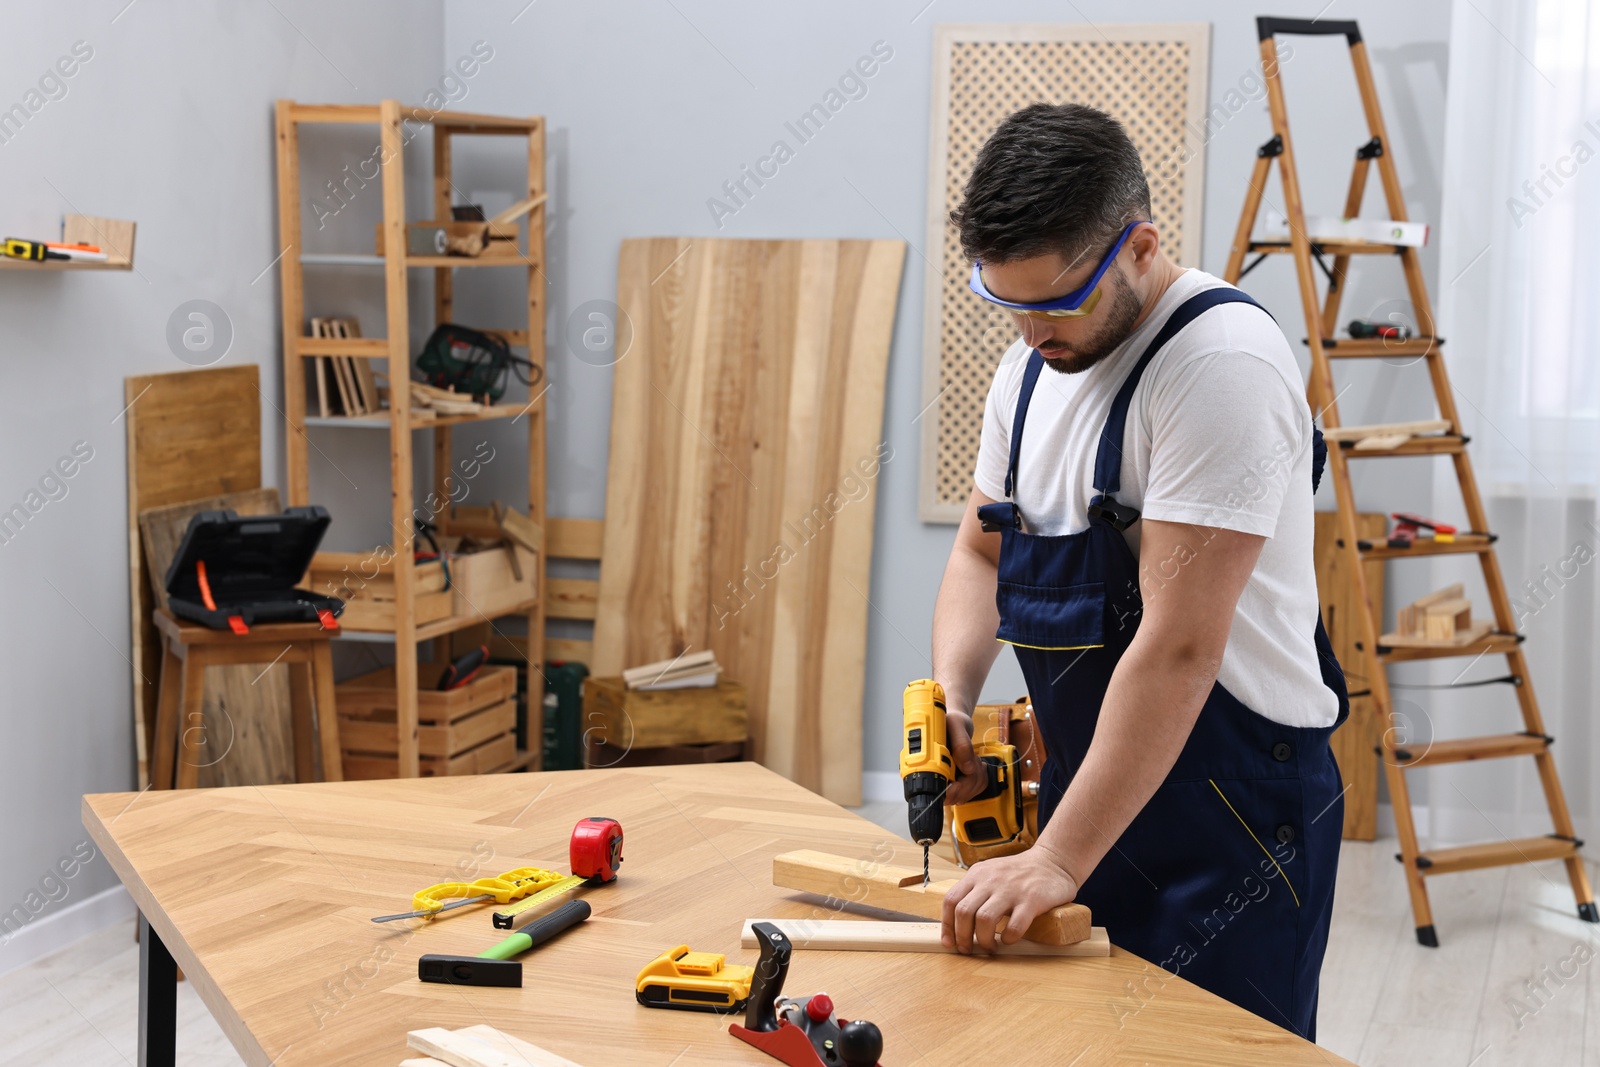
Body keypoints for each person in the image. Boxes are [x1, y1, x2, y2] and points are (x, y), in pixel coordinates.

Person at [932, 102, 1348, 1040]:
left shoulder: (1219, 365)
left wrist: (1057, 860)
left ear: (1140, 246)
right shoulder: (1030, 370)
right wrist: (951, 696)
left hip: (1232, 814)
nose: (1032, 329)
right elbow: (978, 547)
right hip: (1097, 789)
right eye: (1008, 301)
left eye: (1055, 299)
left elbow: (1179, 646)